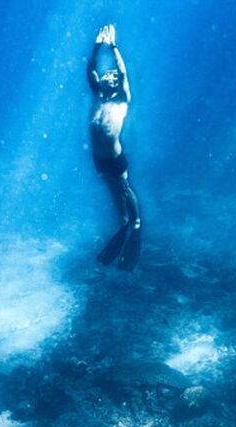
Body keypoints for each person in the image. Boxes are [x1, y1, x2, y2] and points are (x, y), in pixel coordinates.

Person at [87, 25, 142, 271]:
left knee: (123, 187)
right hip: (98, 158)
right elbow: (90, 69)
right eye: (106, 75)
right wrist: (97, 46)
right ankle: (123, 222)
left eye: (111, 76)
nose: (108, 76)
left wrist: (113, 46)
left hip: (114, 156)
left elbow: (122, 70)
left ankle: (137, 221)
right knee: (112, 190)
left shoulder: (122, 98)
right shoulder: (99, 95)